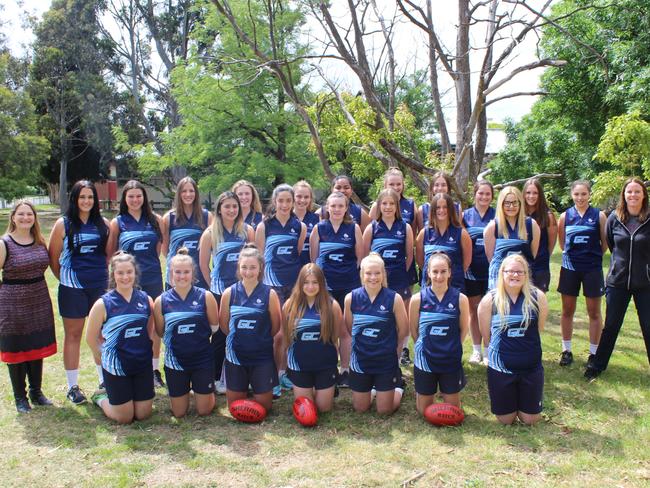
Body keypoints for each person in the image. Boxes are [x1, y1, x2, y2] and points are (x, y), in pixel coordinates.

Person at [49, 180, 110, 404]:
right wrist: (66, 280)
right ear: (74, 199)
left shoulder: (103, 223)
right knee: (73, 336)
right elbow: (53, 259)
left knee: (101, 335)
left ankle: (105, 381)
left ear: (95, 200)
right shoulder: (63, 224)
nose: (86, 201)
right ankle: (73, 386)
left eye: (90, 197)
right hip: (72, 288)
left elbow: (108, 255)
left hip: (99, 287)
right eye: (82, 197)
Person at [585, 178, 650, 379]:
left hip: (645, 283)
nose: (633, 195)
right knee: (611, 325)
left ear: (643, 195)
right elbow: (612, 245)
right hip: (618, 282)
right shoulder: (614, 217)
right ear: (624, 195)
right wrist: (618, 268)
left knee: (648, 326)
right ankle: (597, 366)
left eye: (637, 192)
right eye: (629, 192)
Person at [478, 254, 548, 425]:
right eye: (510, 271)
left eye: (519, 272)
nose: (515, 275)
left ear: (526, 274)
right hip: (501, 367)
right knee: (505, 420)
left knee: (530, 420)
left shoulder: (537, 297)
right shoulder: (490, 300)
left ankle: (526, 400)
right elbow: (486, 336)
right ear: (502, 273)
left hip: (530, 367)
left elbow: (538, 330)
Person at [106, 180, 164, 387]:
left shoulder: (156, 220)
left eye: (139, 196)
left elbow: (157, 251)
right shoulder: (118, 222)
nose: (135, 200)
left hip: (153, 278)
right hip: (126, 282)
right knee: (129, 323)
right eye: (130, 196)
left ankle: (154, 369)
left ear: (144, 198)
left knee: (154, 325)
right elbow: (111, 253)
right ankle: (127, 365)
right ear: (125, 199)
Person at [0, 201, 57, 413]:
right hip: (12, 302)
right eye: (21, 214)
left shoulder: (39, 241)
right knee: (16, 348)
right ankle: (20, 398)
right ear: (13, 217)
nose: (26, 218)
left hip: (38, 298)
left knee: (36, 345)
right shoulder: (4, 243)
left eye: (29, 214)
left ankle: (36, 392)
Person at [86, 252, 155, 424]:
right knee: (124, 418)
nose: (125, 277)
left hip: (141, 363)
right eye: (120, 273)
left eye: (129, 272)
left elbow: (149, 331)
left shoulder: (146, 300)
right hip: (116, 366)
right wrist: (102, 357)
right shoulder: (103, 304)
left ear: (135, 273)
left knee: (143, 415)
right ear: (113, 275)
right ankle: (101, 398)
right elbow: (90, 337)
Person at [199, 191, 254, 394]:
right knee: (221, 335)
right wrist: (213, 287)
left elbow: (254, 261)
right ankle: (215, 378)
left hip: (243, 291)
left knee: (242, 332)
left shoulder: (247, 231)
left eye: (234, 206)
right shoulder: (210, 233)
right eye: (227, 206)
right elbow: (204, 265)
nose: (231, 210)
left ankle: (241, 375)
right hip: (219, 292)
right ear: (219, 209)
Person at [154, 248, 219, 417]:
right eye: (177, 272)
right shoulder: (161, 301)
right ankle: (188, 391)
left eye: (186, 272)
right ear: (170, 273)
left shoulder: (206, 296)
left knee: (204, 411)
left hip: (201, 359)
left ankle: (204, 391)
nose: (182, 276)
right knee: (179, 413)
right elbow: (160, 332)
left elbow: (214, 327)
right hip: (175, 361)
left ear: (193, 273)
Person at [255, 184, 306, 395]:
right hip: (271, 286)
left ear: (293, 202)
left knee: (288, 332)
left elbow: (298, 252)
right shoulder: (264, 226)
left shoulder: (299, 226)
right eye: (280, 201)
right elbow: (259, 257)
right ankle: (272, 376)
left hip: (293, 285)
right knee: (274, 334)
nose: (284, 205)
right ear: (274, 202)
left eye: (288, 201)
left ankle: (284, 373)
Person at [310, 191, 364, 388]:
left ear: (346, 208)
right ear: (327, 207)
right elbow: (313, 259)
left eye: (340, 206)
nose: (336, 209)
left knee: (346, 329)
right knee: (329, 328)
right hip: (326, 286)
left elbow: (360, 259)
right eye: (333, 206)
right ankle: (329, 367)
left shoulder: (354, 228)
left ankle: (346, 369)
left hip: (348, 284)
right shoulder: (319, 228)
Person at [219, 245, 282, 413]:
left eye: (253, 267)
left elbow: (275, 326)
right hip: (236, 356)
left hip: (261, 356)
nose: (248, 271)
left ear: (260, 268)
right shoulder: (229, 293)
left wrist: (259, 339)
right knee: (234, 409)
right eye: (244, 267)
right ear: (239, 268)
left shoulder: (269, 294)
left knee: (264, 408)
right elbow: (224, 325)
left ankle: (259, 384)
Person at [344, 253, 408, 414]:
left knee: (384, 411)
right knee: (360, 409)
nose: (373, 277)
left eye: (377, 273)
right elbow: (350, 328)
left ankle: (398, 387)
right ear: (362, 274)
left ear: (383, 274)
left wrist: (393, 352)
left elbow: (403, 331)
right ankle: (374, 390)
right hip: (361, 361)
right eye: (368, 273)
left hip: (385, 361)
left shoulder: (394, 298)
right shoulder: (351, 298)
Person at [409, 252, 469, 414]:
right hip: (426, 358)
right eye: (435, 271)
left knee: (454, 411)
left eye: (443, 271)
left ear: (450, 272)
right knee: (424, 411)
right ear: (428, 272)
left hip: (450, 358)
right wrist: (422, 346)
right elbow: (413, 329)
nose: (439, 276)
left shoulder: (460, 299)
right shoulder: (418, 299)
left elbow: (463, 329)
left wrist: (453, 346)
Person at [556, 180, 607, 367]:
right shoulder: (564, 216)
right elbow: (562, 244)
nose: (580, 198)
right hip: (570, 268)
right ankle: (566, 350)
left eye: (584, 194)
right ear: (572, 195)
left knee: (594, 312)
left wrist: (591, 259)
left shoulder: (599, 216)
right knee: (567, 310)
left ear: (589, 195)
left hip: (592, 269)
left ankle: (594, 353)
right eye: (576, 194)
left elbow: (604, 243)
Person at [283, 263, 342, 412]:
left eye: (315, 282)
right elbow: (285, 336)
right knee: (306, 409)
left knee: (323, 409)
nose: (310, 287)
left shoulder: (332, 305)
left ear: (321, 283)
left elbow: (335, 337)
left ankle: (327, 387)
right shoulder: (290, 305)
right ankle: (312, 388)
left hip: (324, 364)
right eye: (306, 282)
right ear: (300, 283)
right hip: (300, 365)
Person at [462, 180, 496, 365]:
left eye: (487, 194)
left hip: (492, 271)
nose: (484, 197)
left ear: (492, 196)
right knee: (474, 311)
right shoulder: (464, 216)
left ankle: (489, 350)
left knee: (491, 311)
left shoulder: (497, 215)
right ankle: (476, 351)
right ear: (474, 194)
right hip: (471, 271)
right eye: (480, 193)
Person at [483, 186, 540, 290]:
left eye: (515, 202)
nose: (511, 206)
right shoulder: (493, 227)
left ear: (520, 203)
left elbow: (532, 254)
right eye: (507, 203)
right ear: (501, 204)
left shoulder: (531, 225)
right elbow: (491, 258)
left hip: (522, 276)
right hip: (499, 278)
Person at [162, 176, 213, 292]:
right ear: (179, 194)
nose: (188, 194)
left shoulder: (207, 217)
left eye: (191, 191)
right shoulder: (169, 218)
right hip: (176, 276)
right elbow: (165, 250)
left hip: (199, 274)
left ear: (196, 193)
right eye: (184, 191)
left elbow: (211, 248)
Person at [363, 188, 414, 301]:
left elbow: (410, 255)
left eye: (392, 203)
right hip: (377, 278)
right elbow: (364, 256)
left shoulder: (405, 227)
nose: (388, 207)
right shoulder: (371, 228)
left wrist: (401, 270)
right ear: (379, 206)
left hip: (399, 277)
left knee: (401, 315)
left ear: (397, 206)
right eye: (384, 203)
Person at [415, 192, 472, 293]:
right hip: (430, 286)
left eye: (445, 207)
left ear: (450, 209)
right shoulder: (424, 233)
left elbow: (466, 262)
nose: (441, 210)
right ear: (433, 210)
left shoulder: (461, 233)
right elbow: (420, 261)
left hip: (455, 286)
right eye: (438, 207)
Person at [523, 178, 557, 292]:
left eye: (535, 193)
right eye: (528, 192)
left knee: (538, 304)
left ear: (540, 195)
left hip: (540, 266)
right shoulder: (518, 214)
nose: (531, 196)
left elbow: (551, 244)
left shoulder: (548, 216)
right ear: (523, 194)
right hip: (520, 265)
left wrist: (541, 256)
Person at [293, 180, 320, 268]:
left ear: (311, 199)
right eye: (299, 196)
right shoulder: (285, 218)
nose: (302, 200)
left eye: (306, 197)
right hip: (289, 268)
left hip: (309, 268)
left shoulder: (317, 219)